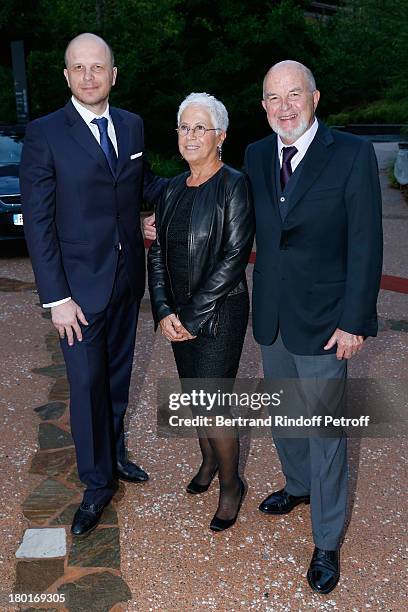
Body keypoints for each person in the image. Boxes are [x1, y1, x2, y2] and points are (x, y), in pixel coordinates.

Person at [245, 60, 383, 594]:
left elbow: (366, 243)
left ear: (315, 98)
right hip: (273, 317)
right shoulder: (257, 155)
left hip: (328, 323)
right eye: (274, 98)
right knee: (284, 413)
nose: (285, 107)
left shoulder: (350, 154)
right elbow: (235, 211)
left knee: (325, 432)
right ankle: (297, 486)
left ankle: (326, 541)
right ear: (263, 106)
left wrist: (355, 322)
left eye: (294, 95)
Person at [20, 33, 166, 536]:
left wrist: (201, 182)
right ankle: (96, 484)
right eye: (78, 68)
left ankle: (116, 454)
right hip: (76, 293)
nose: (88, 76)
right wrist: (56, 298)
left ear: (113, 74)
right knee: (85, 386)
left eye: (97, 67)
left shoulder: (131, 125)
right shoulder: (44, 134)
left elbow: (142, 185)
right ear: (65, 75)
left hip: (127, 281)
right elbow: (38, 223)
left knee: (118, 379)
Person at [148, 92, 254, 532]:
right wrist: (162, 310)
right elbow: (156, 255)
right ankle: (208, 460)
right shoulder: (171, 188)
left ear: (221, 136)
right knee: (195, 399)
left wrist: (191, 317)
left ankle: (232, 485)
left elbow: (233, 257)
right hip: (177, 314)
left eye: (200, 128)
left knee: (213, 405)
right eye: (184, 128)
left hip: (220, 315)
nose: (191, 136)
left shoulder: (234, 184)